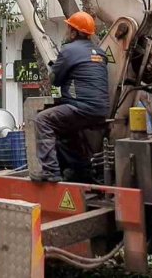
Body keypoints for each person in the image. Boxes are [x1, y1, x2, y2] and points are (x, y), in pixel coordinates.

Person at [32, 11, 109, 182]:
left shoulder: (69, 50)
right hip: (101, 110)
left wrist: (56, 68)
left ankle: (50, 171)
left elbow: (55, 81)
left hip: (81, 108)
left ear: (74, 32)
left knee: (42, 120)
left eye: (69, 28)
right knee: (68, 128)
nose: (67, 31)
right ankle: (83, 171)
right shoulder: (101, 52)